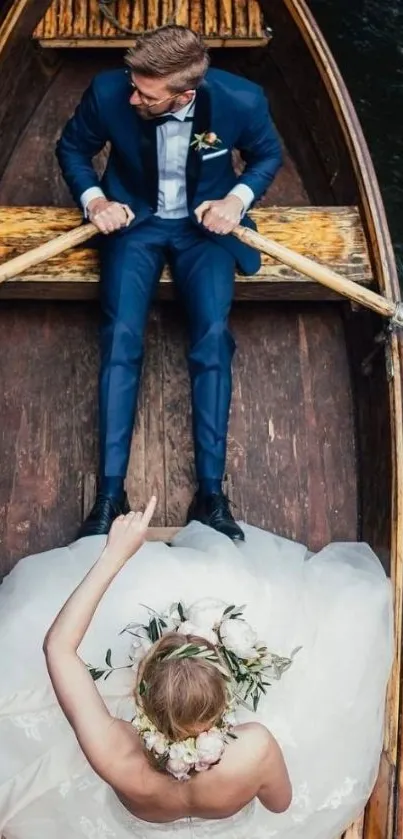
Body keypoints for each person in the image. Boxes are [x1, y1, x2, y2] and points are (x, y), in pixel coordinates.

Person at [0, 498, 393, 839]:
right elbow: (280, 804)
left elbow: (57, 647)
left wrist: (114, 555)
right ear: (226, 702)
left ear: (140, 694)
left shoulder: (113, 751)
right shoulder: (254, 748)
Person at [56, 25, 282, 541]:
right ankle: (111, 495)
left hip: (205, 227)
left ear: (186, 94)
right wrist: (95, 201)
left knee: (211, 339)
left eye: (146, 94)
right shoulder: (109, 91)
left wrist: (236, 201)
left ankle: (211, 494)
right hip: (134, 221)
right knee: (120, 338)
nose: (132, 97)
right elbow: (71, 149)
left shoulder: (242, 101)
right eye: (134, 86)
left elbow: (268, 156)